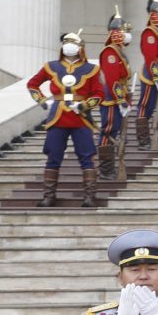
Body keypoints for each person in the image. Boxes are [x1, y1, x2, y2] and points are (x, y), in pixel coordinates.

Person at [28, 31, 107, 208]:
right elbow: (32, 84)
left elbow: (99, 93)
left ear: (81, 47)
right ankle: (49, 196)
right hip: (57, 116)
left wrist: (83, 106)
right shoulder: (51, 66)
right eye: (66, 42)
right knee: (53, 157)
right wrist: (42, 101)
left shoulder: (92, 69)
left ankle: (89, 196)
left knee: (87, 157)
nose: (68, 45)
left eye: (73, 42)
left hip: (82, 118)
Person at [97, 11, 132, 184]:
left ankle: (108, 166)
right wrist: (121, 100)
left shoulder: (118, 51)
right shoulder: (110, 52)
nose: (127, 34)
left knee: (114, 130)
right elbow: (112, 80)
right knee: (108, 131)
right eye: (124, 30)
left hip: (118, 97)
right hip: (111, 99)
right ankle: (105, 169)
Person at [136, 0, 158, 147]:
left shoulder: (157, 32)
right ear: (154, 14)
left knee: (152, 106)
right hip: (151, 74)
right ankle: (143, 140)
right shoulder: (149, 33)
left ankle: (148, 137)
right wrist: (157, 77)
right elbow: (150, 59)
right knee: (145, 106)